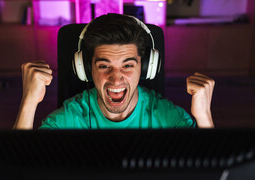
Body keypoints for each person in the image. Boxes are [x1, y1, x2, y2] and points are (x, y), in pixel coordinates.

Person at [13, 13, 215, 130]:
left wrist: (204, 116)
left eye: (127, 65)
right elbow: (18, 168)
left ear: (145, 68)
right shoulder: (72, 116)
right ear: (85, 69)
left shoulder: (165, 116)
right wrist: (28, 102)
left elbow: (209, 173)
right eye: (104, 66)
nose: (116, 78)